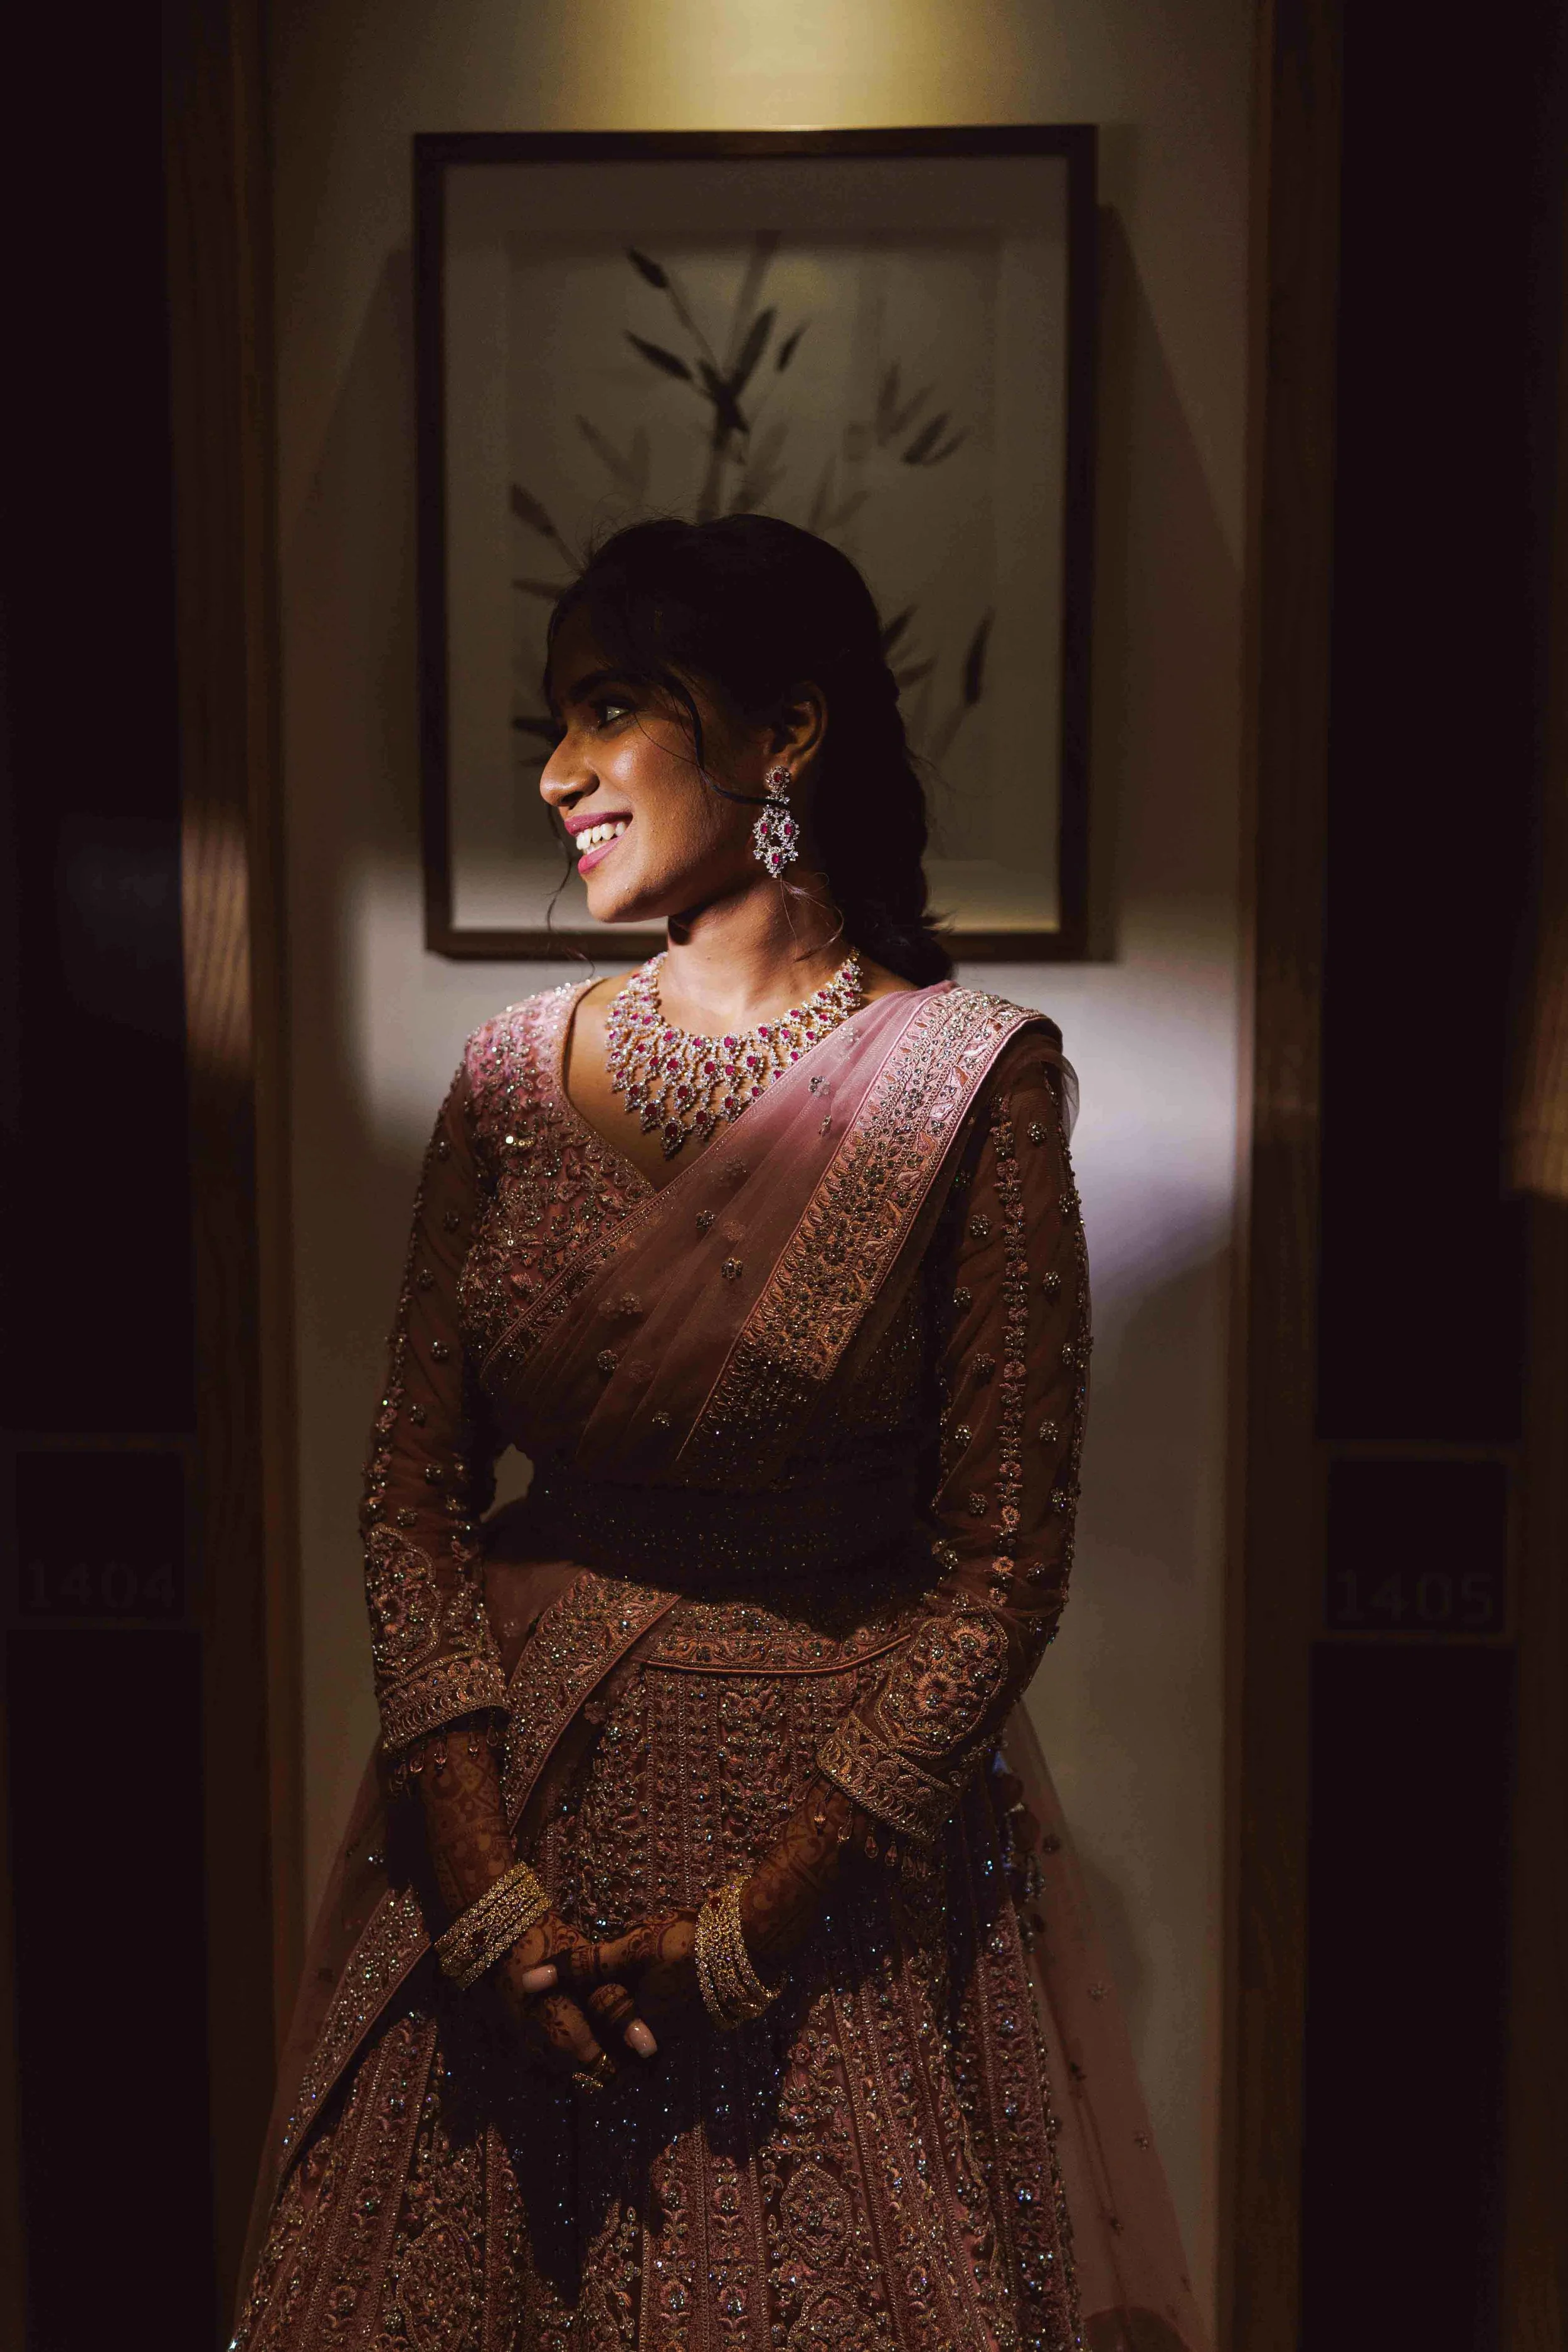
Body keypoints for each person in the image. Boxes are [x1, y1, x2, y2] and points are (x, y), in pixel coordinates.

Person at [235, 516, 1208, 2351]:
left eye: (611, 708)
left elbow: (1004, 1563)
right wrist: (480, 1883)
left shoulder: (964, 1086)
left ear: (784, 735)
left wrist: (759, 1922)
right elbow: (411, 1494)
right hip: (504, 1860)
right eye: (554, 718)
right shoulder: (511, 1074)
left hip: (823, 1890)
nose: (556, 772)